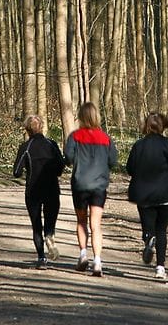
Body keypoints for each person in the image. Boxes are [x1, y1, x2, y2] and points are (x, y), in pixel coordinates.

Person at [126, 112, 168, 280]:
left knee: (148, 226)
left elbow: (130, 169)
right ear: (162, 126)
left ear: (146, 126)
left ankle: (148, 239)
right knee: (162, 230)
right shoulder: (167, 145)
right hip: (165, 193)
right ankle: (160, 267)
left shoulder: (138, 145)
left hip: (144, 194)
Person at [63, 102, 117, 277]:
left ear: (81, 117)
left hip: (80, 184)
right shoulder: (106, 138)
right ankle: (98, 261)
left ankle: (83, 255)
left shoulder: (75, 136)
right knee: (96, 224)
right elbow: (113, 161)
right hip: (99, 186)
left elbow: (68, 157)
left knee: (81, 221)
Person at [13, 115, 65, 270]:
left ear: (27, 130)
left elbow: (16, 172)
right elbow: (60, 167)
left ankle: (41, 258)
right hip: (52, 189)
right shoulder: (51, 144)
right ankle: (49, 235)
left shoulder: (25, 147)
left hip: (33, 191)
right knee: (50, 220)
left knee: (36, 226)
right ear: (42, 127)